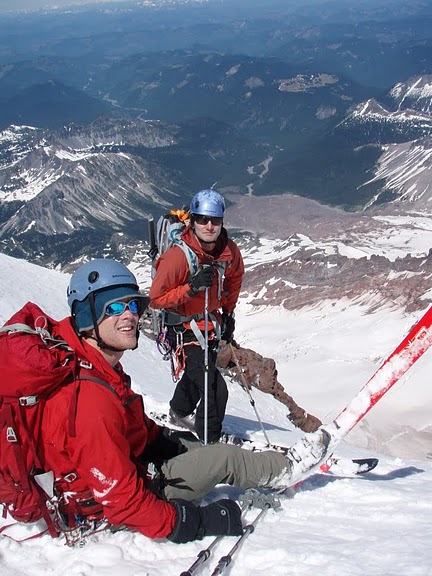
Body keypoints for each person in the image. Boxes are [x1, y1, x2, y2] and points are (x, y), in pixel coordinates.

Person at [39, 258, 331, 544]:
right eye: (114, 307)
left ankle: (255, 462)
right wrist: (196, 522)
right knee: (223, 458)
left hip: (130, 463)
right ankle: (285, 469)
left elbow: (126, 422)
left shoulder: (96, 365)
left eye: (132, 305)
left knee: (200, 446)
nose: (128, 315)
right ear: (88, 317)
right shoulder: (90, 401)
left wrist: (162, 440)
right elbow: (123, 502)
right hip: (110, 504)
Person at [149, 189, 244, 444]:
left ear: (222, 221)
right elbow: (156, 298)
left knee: (199, 375)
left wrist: (229, 312)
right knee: (214, 388)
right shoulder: (178, 257)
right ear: (192, 221)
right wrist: (191, 287)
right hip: (184, 329)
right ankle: (208, 445)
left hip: (209, 325)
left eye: (214, 220)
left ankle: (179, 412)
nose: (209, 226)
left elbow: (234, 280)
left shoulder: (229, 252)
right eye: (202, 219)